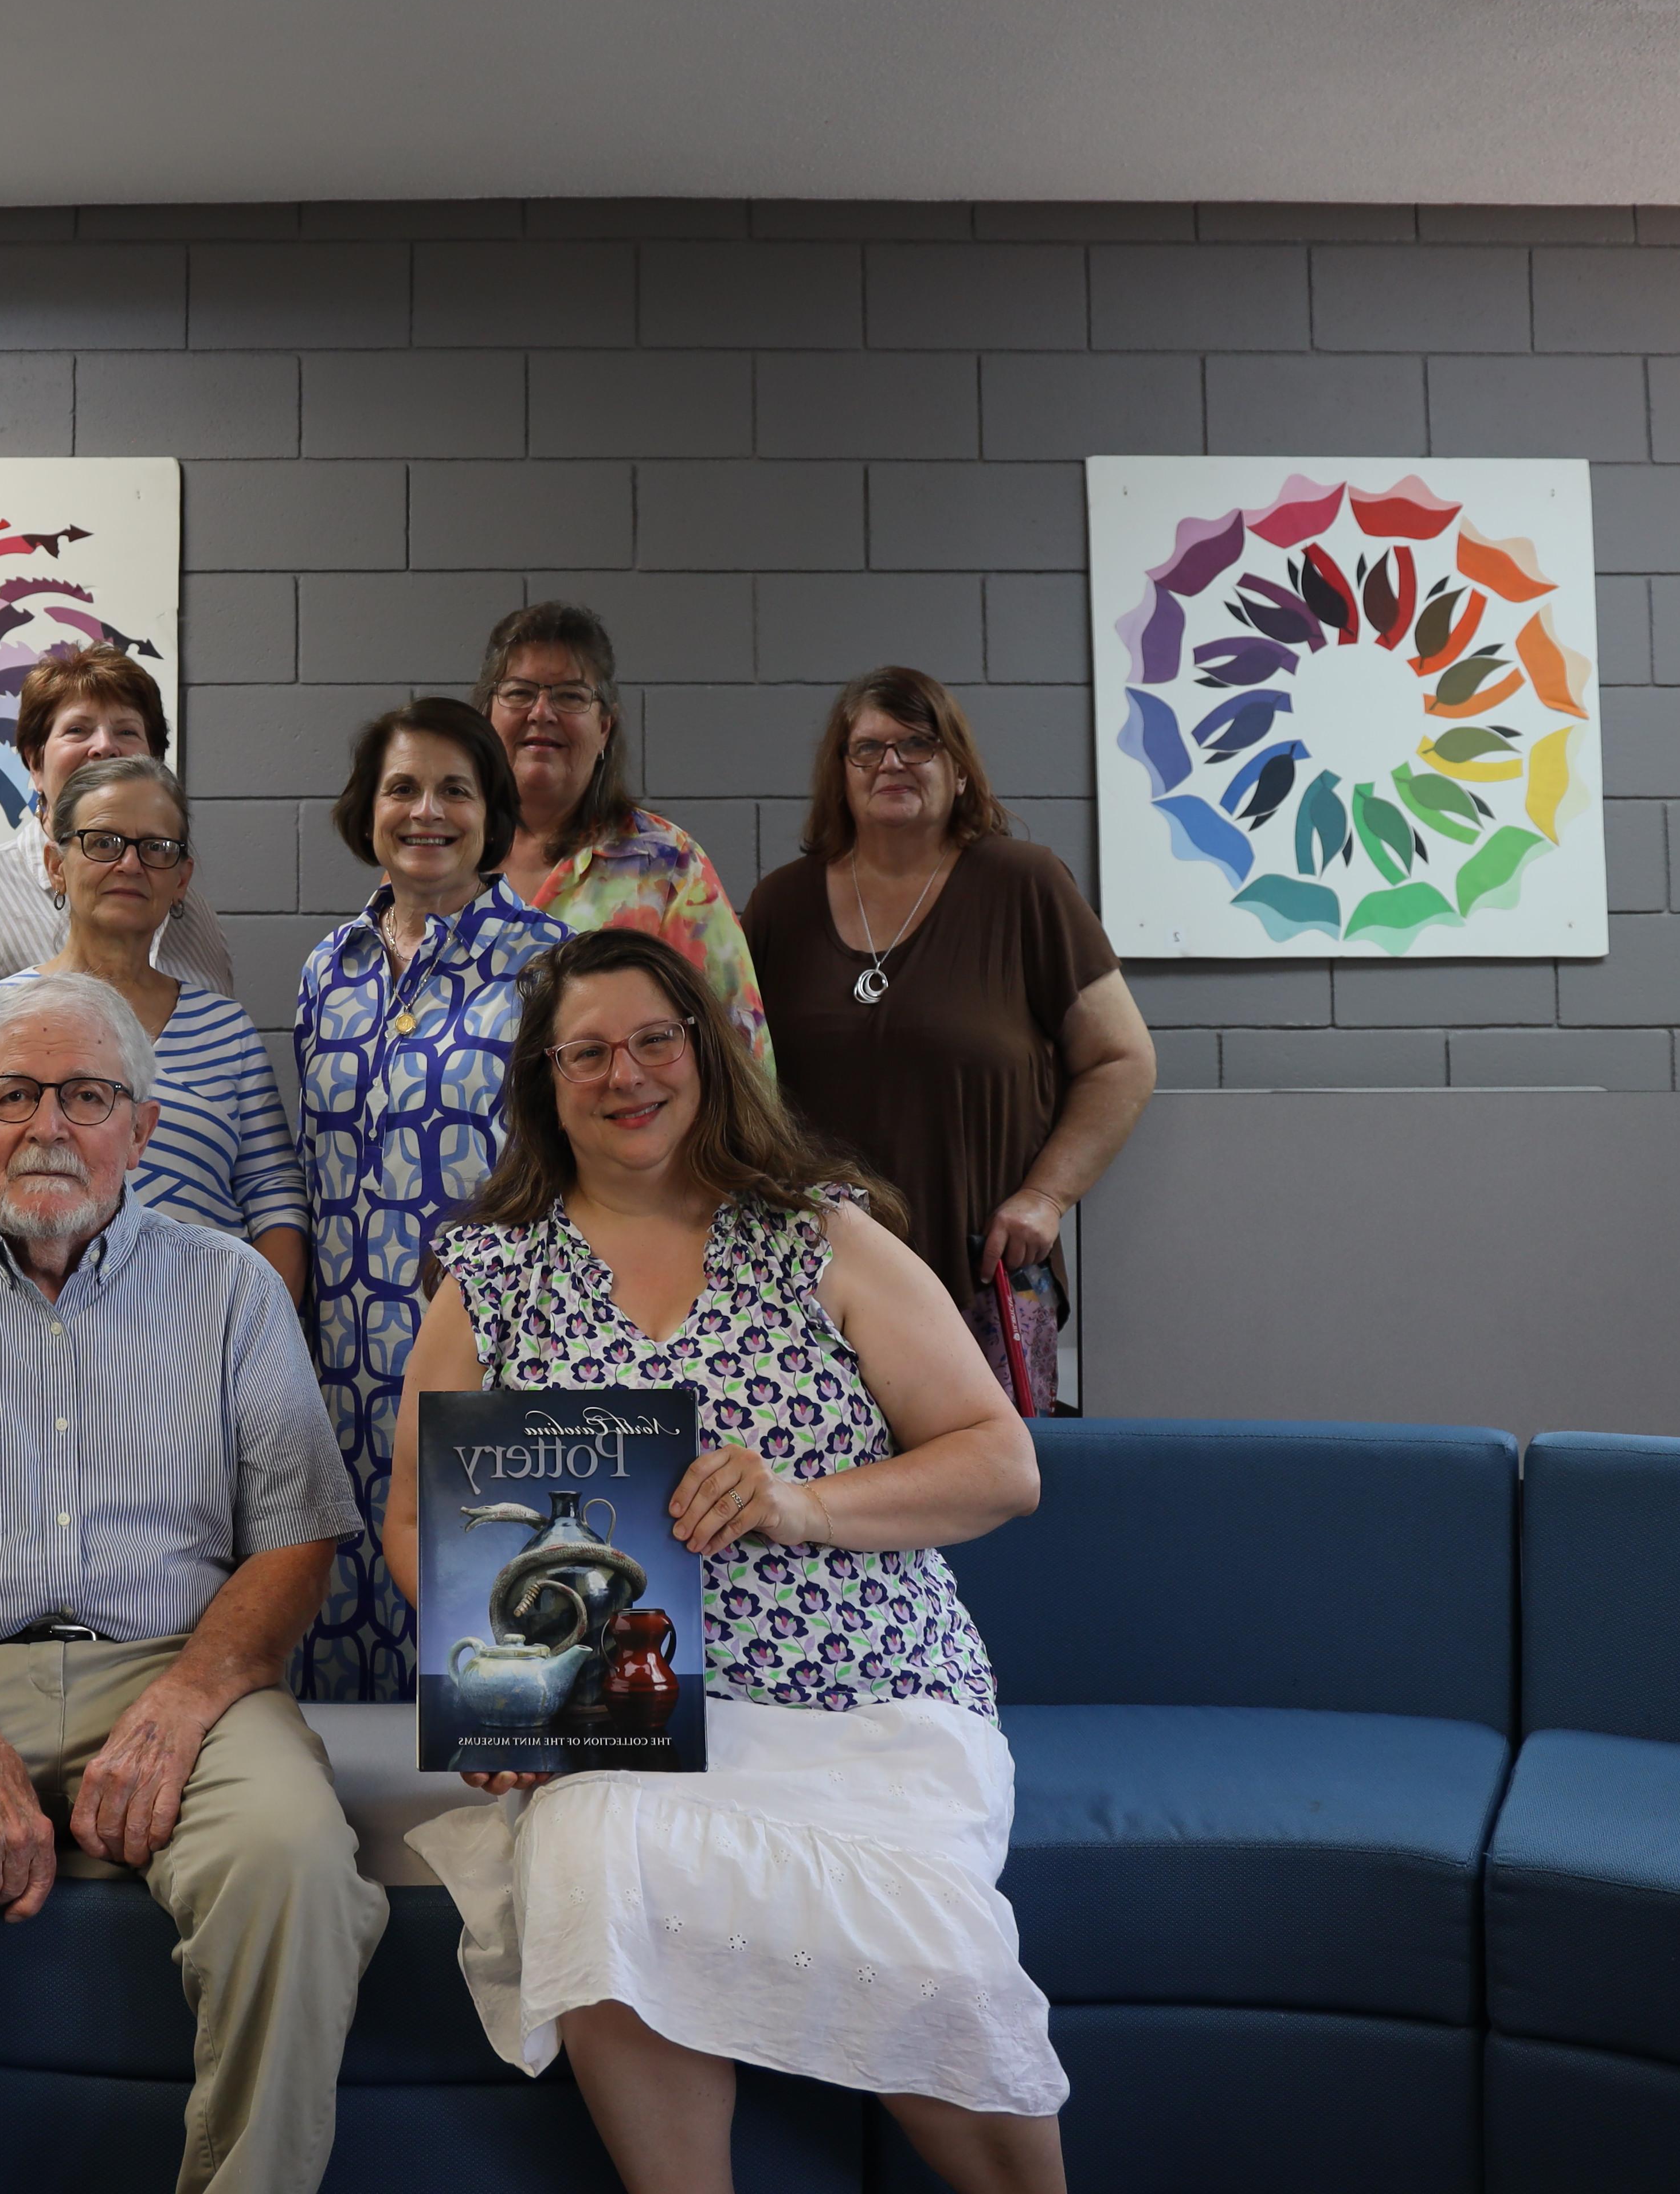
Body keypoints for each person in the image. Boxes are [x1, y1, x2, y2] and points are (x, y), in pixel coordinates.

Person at [391, 927, 1070, 2194]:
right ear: (545, 1081)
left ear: (705, 1050)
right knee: (594, 1841)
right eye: (586, 1051)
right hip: (621, 1720)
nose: (625, 1072)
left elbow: (1001, 1462)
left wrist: (802, 1501)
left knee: (936, 1936)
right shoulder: (490, 1279)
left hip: (870, 1703)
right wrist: (487, 1686)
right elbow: (414, 1519)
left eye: (655, 1038)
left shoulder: (821, 1238)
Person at [0, 969, 387, 2194]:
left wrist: (192, 1695)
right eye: (14, 1093)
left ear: (142, 1129)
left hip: (177, 1664)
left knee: (298, 1868)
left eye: (88, 1094)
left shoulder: (235, 1291)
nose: (49, 1124)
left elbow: (298, 1540)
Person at [288, 698, 570, 1701]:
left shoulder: (550, 966)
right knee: (342, 1661)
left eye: (457, 789)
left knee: (484, 1649)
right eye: (403, 787)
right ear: (368, 806)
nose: (427, 811)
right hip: (340, 1377)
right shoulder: (329, 970)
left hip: (486, 1362)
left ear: (494, 812)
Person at [742, 668, 1156, 1343]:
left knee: (990, 1453)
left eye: (918, 744)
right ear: (841, 774)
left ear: (959, 770)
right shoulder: (779, 906)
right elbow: (736, 1078)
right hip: (810, 1283)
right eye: (868, 748)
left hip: (982, 1280)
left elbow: (1123, 1058)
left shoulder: (1025, 885)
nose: (892, 763)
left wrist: (1046, 1198)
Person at [0, 642, 238, 1217]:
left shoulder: (189, 908)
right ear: (34, 760)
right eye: (78, 729)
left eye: (127, 730)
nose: (104, 745)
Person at [0, 758, 307, 1302]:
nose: (130, 864)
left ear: (182, 879)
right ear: (56, 865)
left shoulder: (229, 1031)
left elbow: (274, 1195)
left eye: (156, 848)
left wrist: (256, 1331)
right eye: (103, 842)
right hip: (33, 1337)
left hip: (200, 1345)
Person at [476, 601, 773, 1079]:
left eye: (571, 696)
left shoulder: (667, 866)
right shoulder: (442, 859)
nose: (542, 712)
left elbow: (740, 1052)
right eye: (519, 692)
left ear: (605, 728)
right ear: (486, 716)